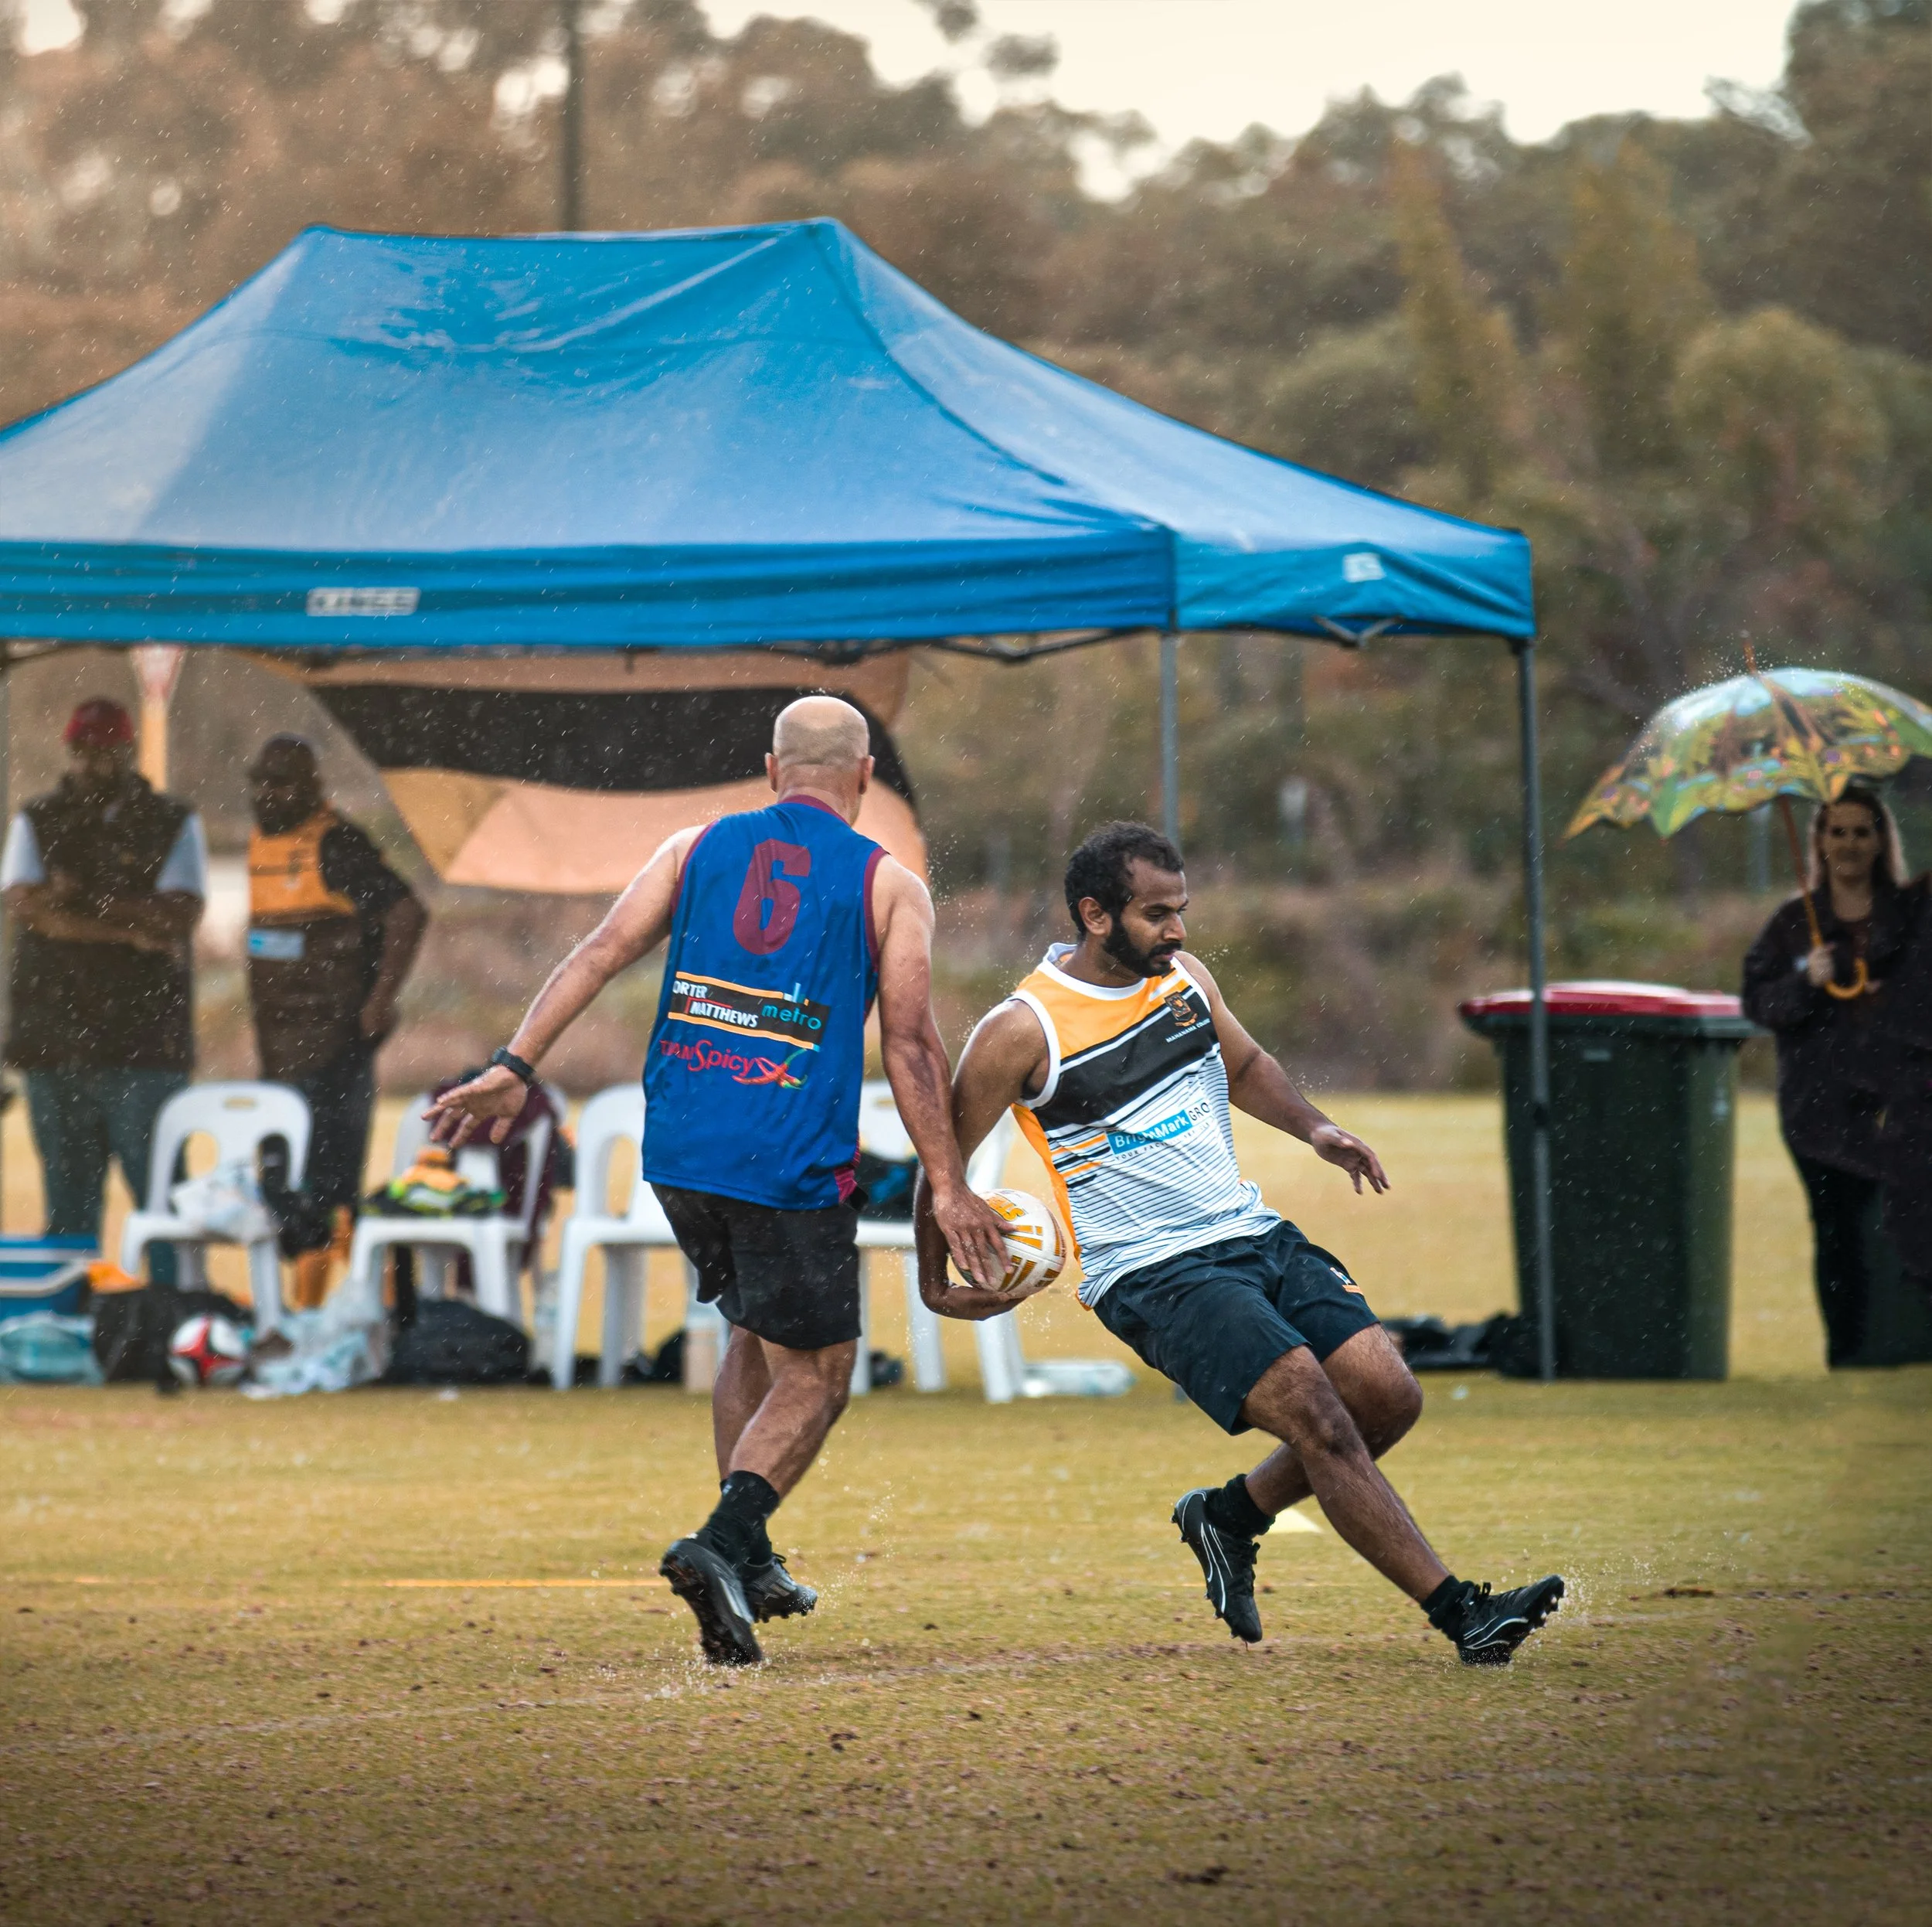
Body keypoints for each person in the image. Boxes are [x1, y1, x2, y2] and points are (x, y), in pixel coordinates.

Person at [425, 696, 1009, 1667]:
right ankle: (726, 1542)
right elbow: (908, 1042)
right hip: (782, 1159)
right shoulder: (890, 884)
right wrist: (946, 1184)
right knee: (819, 1372)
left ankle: (756, 1560)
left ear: (771, 769)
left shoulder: (692, 847)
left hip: (680, 1154)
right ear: (865, 777)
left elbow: (599, 952)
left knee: (752, 1327)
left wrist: (514, 1068)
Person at [917, 821, 1563, 1666]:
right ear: (1095, 914)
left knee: (1386, 1398)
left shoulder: (1185, 978)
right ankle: (1462, 1614)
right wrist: (935, 1286)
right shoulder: (1021, 1029)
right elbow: (944, 1168)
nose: (1178, 930)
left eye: (1180, 910)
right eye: (1156, 914)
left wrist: (1316, 1129)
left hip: (1250, 1231)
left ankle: (1227, 1516)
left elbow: (1247, 1063)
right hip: (1151, 1272)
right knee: (1321, 1419)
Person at [2, 698, 205, 1278]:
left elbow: (179, 914)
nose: (93, 765)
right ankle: (68, 1322)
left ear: (127, 751)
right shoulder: (37, 816)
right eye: (84, 751)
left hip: (144, 1042)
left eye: (105, 752)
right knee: (68, 1201)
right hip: (55, 1039)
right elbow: (29, 907)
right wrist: (128, 929)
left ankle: (176, 1317)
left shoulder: (172, 818)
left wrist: (81, 899)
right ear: (71, 750)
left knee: (161, 1193)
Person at [1741, 786, 1924, 1367]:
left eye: (1861, 831)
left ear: (1881, 840)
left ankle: (1909, 1346)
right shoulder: (1795, 925)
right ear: (1818, 840)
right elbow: (1761, 1005)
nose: (1849, 844)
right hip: (1821, 1112)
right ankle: (1849, 1353)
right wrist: (1806, 981)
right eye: (1837, 831)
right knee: (1840, 1232)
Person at [245, 736, 426, 1307]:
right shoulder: (258, 844)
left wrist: (380, 998)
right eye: (262, 780)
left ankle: (346, 1307)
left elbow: (408, 910)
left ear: (313, 787)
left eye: (284, 781)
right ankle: (301, 1309)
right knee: (279, 1186)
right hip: (279, 1049)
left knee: (328, 1188)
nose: (270, 793)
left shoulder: (337, 843)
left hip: (334, 1046)